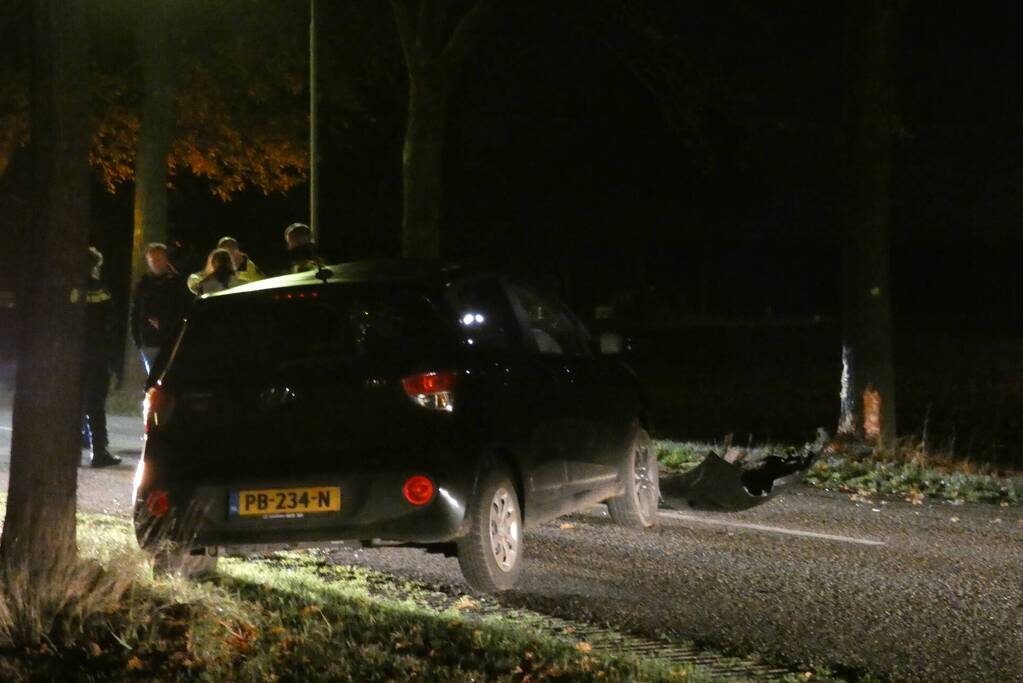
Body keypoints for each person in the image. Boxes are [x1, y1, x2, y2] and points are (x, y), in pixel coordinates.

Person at [83, 247, 121, 467]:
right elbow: (110, 323)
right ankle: (98, 451)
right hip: (97, 355)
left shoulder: (67, 287)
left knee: (75, 405)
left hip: (74, 356)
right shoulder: (99, 290)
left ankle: (71, 452)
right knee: (95, 405)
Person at [130, 243, 191, 376]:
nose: (156, 263)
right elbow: (136, 311)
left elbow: (183, 311)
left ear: (166, 259)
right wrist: (137, 339)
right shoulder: (143, 284)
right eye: (152, 260)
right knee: (154, 377)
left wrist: (164, 323)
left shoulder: (178, 283)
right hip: (149, 342)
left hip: (171, 341)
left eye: (159, 259)